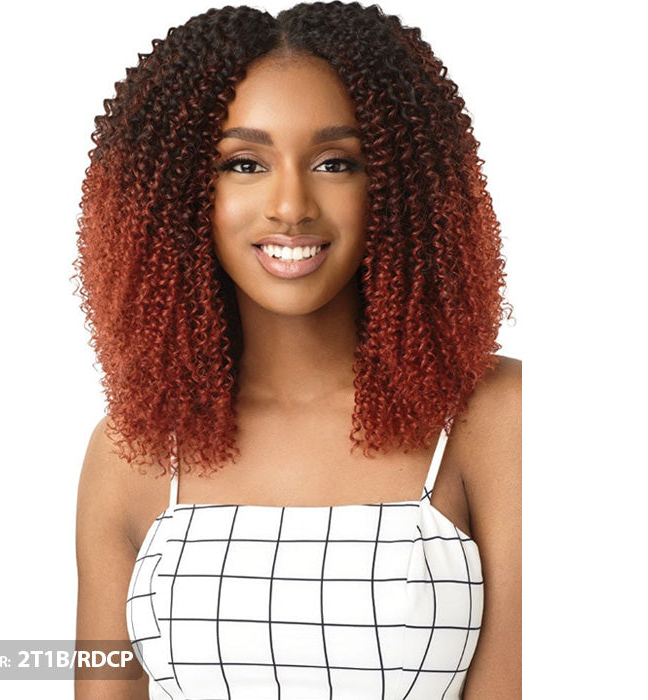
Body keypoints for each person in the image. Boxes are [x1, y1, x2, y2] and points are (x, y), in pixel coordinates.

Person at [74, 2, 521, 699]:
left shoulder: (494, 420)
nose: (291, 205)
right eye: (244, 163)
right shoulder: (133, 452)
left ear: (401, 187)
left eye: (336, 162)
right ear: (178, 196)